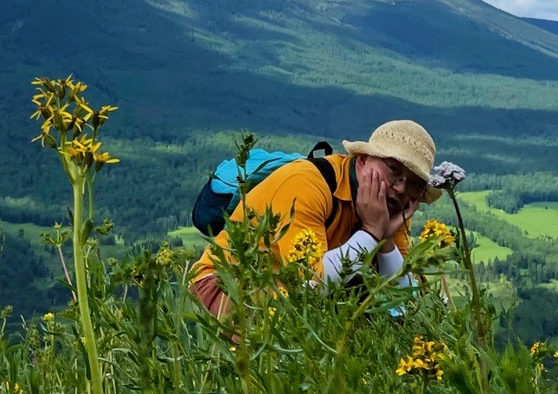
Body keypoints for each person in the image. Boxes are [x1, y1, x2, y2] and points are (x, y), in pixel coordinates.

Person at [188, 120, 439, 318]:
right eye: (393, 169)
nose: (400, 188)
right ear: (362, 160)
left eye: (414, 184)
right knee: (288, 323)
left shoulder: (391, 206)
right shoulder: (306, 184)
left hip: (292, 292)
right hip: (230, 284)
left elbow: (402, 300)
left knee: (384, 324)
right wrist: (372, 232)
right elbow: (310, 284)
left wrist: (385, 241)